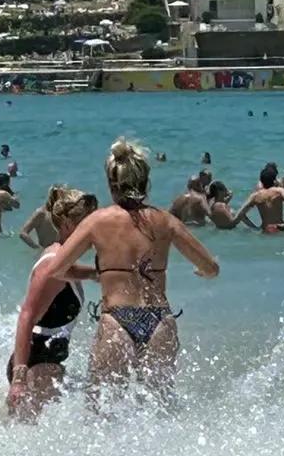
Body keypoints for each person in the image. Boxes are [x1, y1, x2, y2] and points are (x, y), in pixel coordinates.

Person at [43, 138, 218, 391]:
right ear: (146, 182)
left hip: (117, 319)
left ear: (111, 184)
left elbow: (56, 269)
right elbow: (211, 268)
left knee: (101, 408)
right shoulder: (166, 221)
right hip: (159, 318)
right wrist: (201, 271)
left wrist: (96, 274)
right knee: (161, 404)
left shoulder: (97, 221)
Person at [8, 188, 97, 418]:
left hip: (46, 360)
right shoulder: (52, 265)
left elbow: (77, 273)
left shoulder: (62, 262)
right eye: (86, 224)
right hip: (36, 363)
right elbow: (27, 315)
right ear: (67, 224)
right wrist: (19, 378)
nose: (93, 231)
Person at [233, 163, 284, 233]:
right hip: (279, 229)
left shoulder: (255, 195)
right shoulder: (279, 191)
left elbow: (240, 214)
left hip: (265, 230)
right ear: (274, 180)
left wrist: (254, 228)